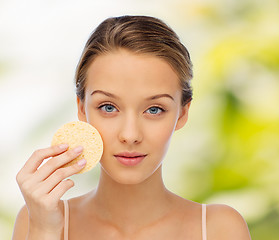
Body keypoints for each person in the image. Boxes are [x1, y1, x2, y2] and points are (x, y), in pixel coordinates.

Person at [12, 15, 251, 240]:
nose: (130, 135)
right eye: (108, 107)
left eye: (154, 109)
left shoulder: (219, 228)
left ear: (182, 113)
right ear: (82, 109)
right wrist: (44, 231)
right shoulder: (37, 220)